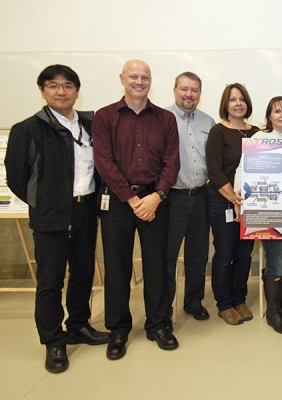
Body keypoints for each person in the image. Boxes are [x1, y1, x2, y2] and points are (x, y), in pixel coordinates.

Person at [4, 64, 109, 373]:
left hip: (86, 209)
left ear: (77, 91)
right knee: (50, 282)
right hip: (50, 215)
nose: (61, 91)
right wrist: (44, 202)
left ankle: (79, 324)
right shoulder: (28, 128)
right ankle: (53, 341)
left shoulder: (91, 124)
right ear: (42, 90)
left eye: (67, 86)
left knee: (83, 273)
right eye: (53, 86)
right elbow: (16, 177)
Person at [93, 59, 180, 360]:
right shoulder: (104, 117)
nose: (139, 81)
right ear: (122, 79)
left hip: (155, 201)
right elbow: (104, 162)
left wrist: (156, 197)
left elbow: (171, 162)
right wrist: (132, 200)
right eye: (133, 76)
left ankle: (158, 325)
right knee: (117, 267)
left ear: (151, 81)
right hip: (118, 202)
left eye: (144, 77)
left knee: (157, 266)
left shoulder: (166, 119)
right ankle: (118, 330)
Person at [234, 96, 282, 334]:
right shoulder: (259, 139)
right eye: (277, 111)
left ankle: (278, 307)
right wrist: (240, 194)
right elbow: (243, 169)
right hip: (268, 212)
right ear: (269, 117)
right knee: (277, 259)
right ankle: (272, 313)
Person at [165, 72, 215, 329]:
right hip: (171, 197)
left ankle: (194, 302)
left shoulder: (208, 121)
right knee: (168, 255)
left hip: (201, 196)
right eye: (184, 89)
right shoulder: (161, 119)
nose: (189, 94)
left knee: (198, 254)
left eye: (194, 90)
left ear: (200, 93)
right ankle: (164, 308)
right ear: (175, 90)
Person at [206, 83, 259, 325]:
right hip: (223, 202)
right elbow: (215, 171)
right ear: (225, 105)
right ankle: (224, 304)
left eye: (241, 99)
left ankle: (240, 299)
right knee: (225, 253)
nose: (238, 103)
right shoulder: (218, 131)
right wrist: (233, 198)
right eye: (232, 99)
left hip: (251, 205)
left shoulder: (258, 132)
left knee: (245, 255)